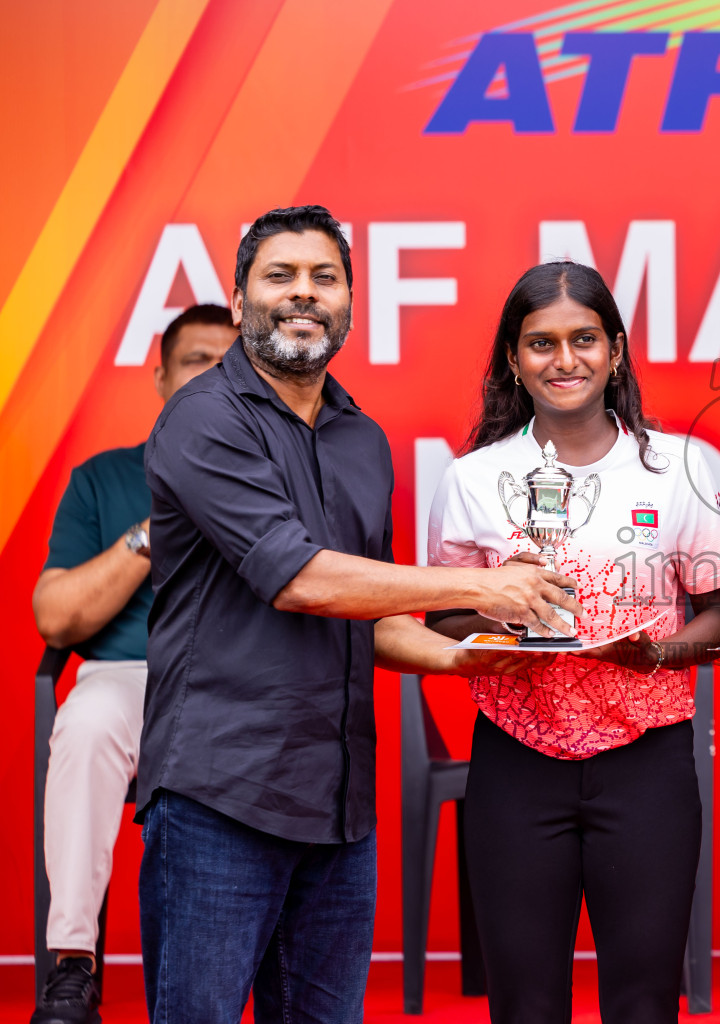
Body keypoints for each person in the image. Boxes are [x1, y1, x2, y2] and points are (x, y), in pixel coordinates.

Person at [138, 206, 586, 1024]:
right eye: (280, 276)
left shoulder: (362, 440)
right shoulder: (202, 419)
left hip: (340, 805)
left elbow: (366, 612)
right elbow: (300, 581)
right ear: (239, 302)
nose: (303, 294)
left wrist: (459, 659)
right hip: (219, 792)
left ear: (349, 301)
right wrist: (480, 587)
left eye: (325, 278)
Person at [425, 261, 720, 1023]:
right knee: (524, 1004)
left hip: (648, 763)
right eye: (540, 344)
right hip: (515, 760)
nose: (563, 361)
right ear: (512, 358)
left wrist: (659, 652)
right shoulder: (471, 479)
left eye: (583, 340)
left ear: (617, 351)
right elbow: (439, 619)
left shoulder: (681, 471)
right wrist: (501, 621)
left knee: (642, 1002)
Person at [30, 305, 233, 1024]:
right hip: (130, 674)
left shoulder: (271, 473)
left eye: (229, 363)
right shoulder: (105, 477)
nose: (214, 376)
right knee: (83, 725)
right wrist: (154, 530)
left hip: (239, 679)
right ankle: (73, 965)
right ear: (161, 378)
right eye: (196, 361)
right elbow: (55, 617)